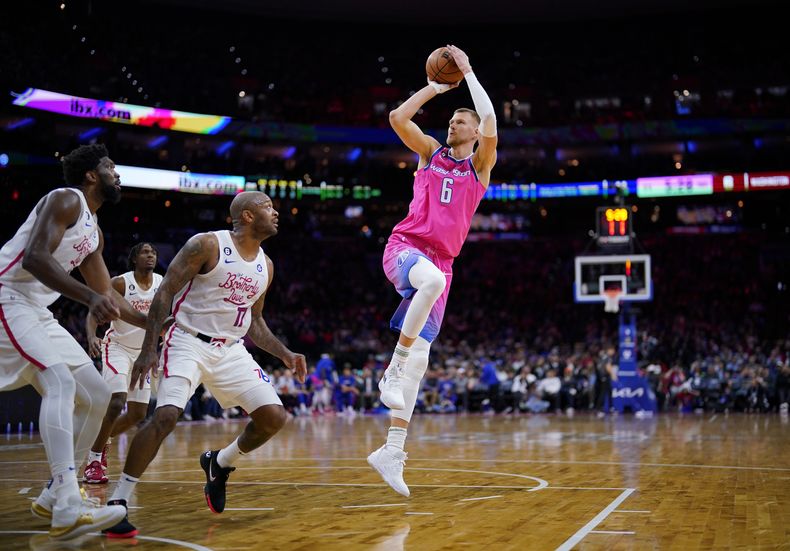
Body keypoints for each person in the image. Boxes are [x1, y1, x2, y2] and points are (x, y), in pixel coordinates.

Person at [104, 191, 306, 538]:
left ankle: (220, 463)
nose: (276, 213)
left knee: (274, 417)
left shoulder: (266, 265)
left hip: (231, 350)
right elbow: (165, 291)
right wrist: (150, 347)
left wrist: (285, 353)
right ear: (245, 215)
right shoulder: (208, 245)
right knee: (165, 416)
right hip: (187, 342)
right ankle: (118, 501)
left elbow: (255, 321)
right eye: (268, 207)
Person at [367, 44, 497, 496]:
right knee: (430, 288)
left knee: (421, 364)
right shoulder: (431, 154)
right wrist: (435, 87)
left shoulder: (479, 167)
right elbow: (398, 120)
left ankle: (392, 450)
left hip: (442, 264)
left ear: (476, 131)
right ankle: (392, 368)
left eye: (461, 121)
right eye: (452, 119)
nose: (453, 124)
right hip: (405, 248)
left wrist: (469, 71)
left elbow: (492, 123)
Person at [0, 144, 145, 540]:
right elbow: (33, 258)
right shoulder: (66, 199)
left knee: (98, 396)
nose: (117, 172)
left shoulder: (92, 232)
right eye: (110, 166)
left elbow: (108, 297)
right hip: (7, 296)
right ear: (91, 175)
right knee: (60, 383)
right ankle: (67, 501)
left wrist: (155, 323)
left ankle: (52, 496)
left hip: (36, 310)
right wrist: (89, 299)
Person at [82, 242, 163, 484]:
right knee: (117, 401)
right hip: (116, 347)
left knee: (138, 413)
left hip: (143, 353)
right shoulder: (121, 282)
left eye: (153, 252)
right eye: (145, 252)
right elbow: (95, 308)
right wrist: (90, 336)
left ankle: (100, 439)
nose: (151, 255)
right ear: (134, 258)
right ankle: (95, 459)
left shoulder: (162, 284)